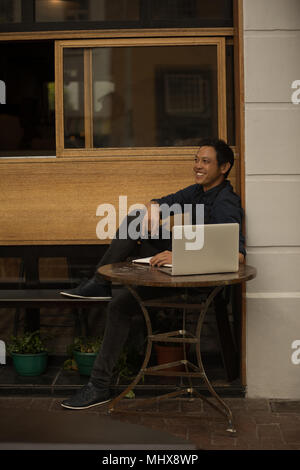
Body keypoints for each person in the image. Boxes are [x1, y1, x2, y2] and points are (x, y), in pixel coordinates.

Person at [60, 138, 246, 410]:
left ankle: (99, 386)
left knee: (120, 304)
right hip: (180, 266)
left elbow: (237, 255)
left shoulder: (226, 203)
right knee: (137, 219)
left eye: (205, 161)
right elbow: (165, 201)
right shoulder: (198, 191)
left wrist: (181, 256)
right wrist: (154, 207)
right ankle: (103, 283)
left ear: (225, 167)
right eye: (196, 160)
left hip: (197, 280)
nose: (198, 165)